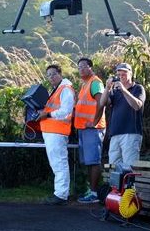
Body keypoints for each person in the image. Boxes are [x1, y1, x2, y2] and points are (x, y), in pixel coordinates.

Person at [37, 64, 75, 205]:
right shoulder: (57, 89)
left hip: (57, 131)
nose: (51, 77)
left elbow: (65, 110)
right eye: (48, 75)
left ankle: (61, 195)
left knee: (59, 163)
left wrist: (47, 114)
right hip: (52, 131)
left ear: (60, 73)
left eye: (53, 74)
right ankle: (60, 193)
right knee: (57, 164)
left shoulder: (65, 89)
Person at [97, 62, 145, 170]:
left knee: (129, 168)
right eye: (118, 75)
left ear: (131, 74)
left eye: (124, 74)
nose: (120, 77)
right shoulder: (115, 91)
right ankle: (117, 188)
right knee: (114, 168)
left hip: (131, 133)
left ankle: (130, 188)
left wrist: (123, 90)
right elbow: (103, 103)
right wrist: (107, 88)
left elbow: (137, 106)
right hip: (115, 134)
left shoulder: (138, 88)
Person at [73, 57, 105, 204]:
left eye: (83, 66)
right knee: (88, 161)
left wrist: (94, 122)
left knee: (94, 161)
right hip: (84, 129)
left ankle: (93, 193)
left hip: (93, 129)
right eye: (78, 67)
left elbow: (101, 102)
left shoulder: (95, 82)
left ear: (90, 67)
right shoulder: (85, 84)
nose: (81, 69)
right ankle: (90, 191)